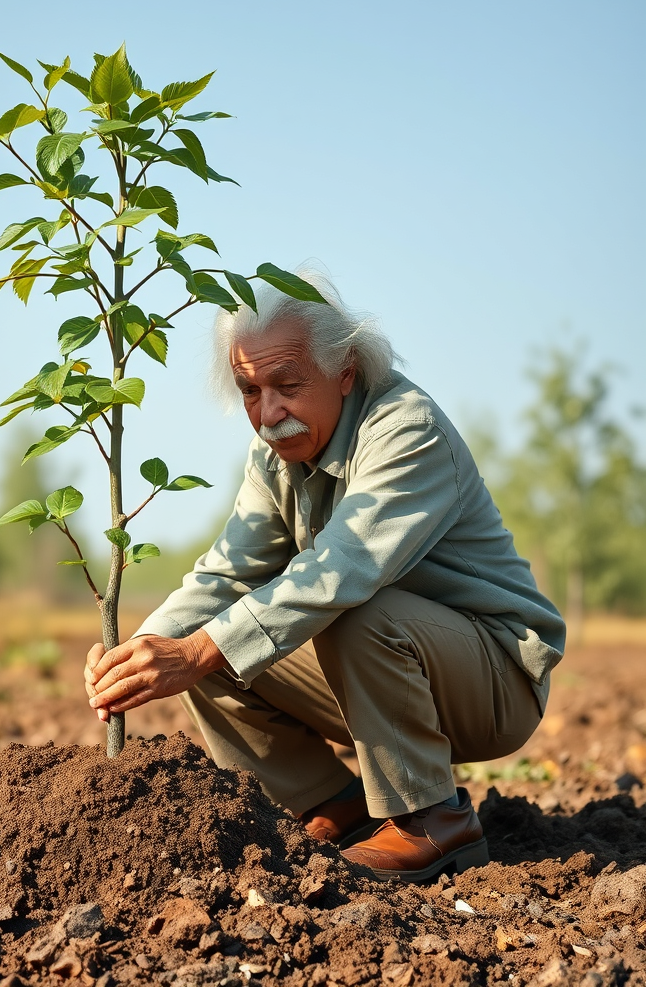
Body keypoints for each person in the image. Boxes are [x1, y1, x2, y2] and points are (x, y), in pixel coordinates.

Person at [84, 268, 565, 883]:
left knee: (330, 610)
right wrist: (143, 650)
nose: (268, 412)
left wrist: (199, 648)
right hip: (388, 669)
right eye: (250, 391)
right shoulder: (277, 453)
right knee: (203, 635)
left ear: (346, 371)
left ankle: (431, 820)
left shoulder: (404, 429)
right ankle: (333, 801)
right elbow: (228, 572)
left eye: (287, 384)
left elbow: (342, 569)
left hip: (492, 680)